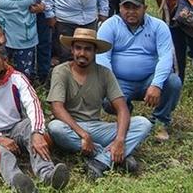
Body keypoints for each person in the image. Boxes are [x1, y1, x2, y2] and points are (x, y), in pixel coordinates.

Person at [47, 28, 152, 179]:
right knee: (55, 127)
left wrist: (120, 139)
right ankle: (114, 156)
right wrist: (83, 134)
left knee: (143, 123)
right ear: (72, 49)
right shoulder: (60, 71)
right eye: (78, 48)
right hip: (71, 128)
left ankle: (101, 160)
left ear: (95, 51)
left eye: (88, 49)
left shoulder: (104, 73)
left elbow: (122, 108)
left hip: (97, 127)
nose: (82, 53)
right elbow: (57, 108)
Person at [0, 42, 69, 193]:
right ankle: (19, 183)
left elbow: (33, 104)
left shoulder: (17, 78)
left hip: (15, 127)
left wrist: (37, 132)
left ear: (4, 61)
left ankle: (47, 175)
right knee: (2, 154)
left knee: (32, 130)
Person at [97, 0, 182, 142]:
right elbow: (102, 58)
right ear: (120, 8)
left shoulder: (158, 26)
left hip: (148, 80)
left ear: (145, 8)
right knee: (107, 100)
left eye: (136, 7)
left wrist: (156, 84)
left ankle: (160, 121)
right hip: (120, 81)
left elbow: (166, 57)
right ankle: (126, 114)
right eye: (126, 7)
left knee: (173, 82)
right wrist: (111, 86)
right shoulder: (109, 26)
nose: (131, 12)